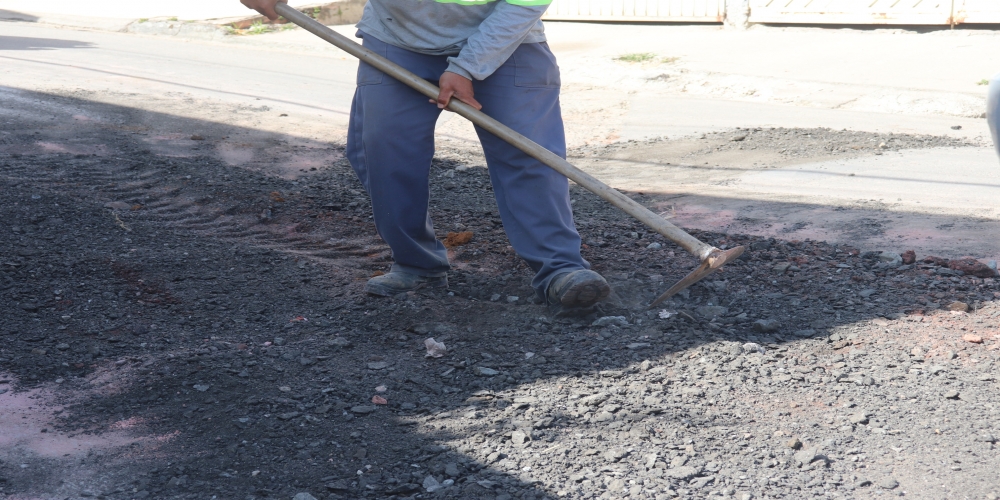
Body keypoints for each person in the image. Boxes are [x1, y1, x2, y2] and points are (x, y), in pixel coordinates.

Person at [240, 0, 610, 310]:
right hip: (398, 38)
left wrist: (466, 67)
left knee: (529, 154)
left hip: (508, 42)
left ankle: (560, 268)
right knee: (384, 150)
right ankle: (417, 262)